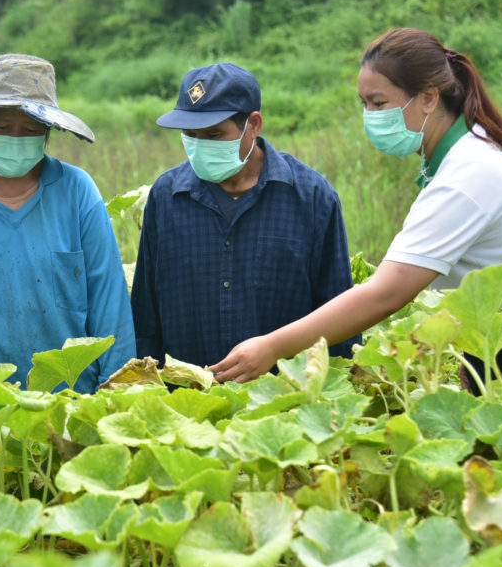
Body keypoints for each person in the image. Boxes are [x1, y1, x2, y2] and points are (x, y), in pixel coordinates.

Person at [211, 27, 502, 389]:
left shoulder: (467, 176)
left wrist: (272, 347)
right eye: (365, 104)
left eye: (380, 103)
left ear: (428, 98)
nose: (371, 116)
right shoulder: (464, 152)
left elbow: (385, 294)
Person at [0, 53, 136, 393]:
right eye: (3, 127)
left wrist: (115, 393)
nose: (16, 138)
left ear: (48, 129)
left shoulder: (77, 191)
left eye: (31, 129)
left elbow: (109, 302)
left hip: (76, 397)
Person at [130, 63, 358, 372]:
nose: (200, 146)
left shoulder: (313, 198)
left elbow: (339, 314)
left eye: (214, 134)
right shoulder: (167, 196)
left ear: (253, 125)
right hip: (186, 402)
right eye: (190, 135)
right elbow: (146, 315)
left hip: (282, 401)